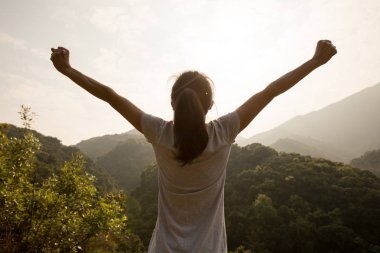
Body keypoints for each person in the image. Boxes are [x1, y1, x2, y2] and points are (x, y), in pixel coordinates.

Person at [50, 40, 337, 252]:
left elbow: (112, 97)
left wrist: (67, 70)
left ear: (173, 103)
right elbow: (270, 91)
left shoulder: (159, 133)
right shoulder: (225, 131)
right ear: (210, 105)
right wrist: (314, 61)